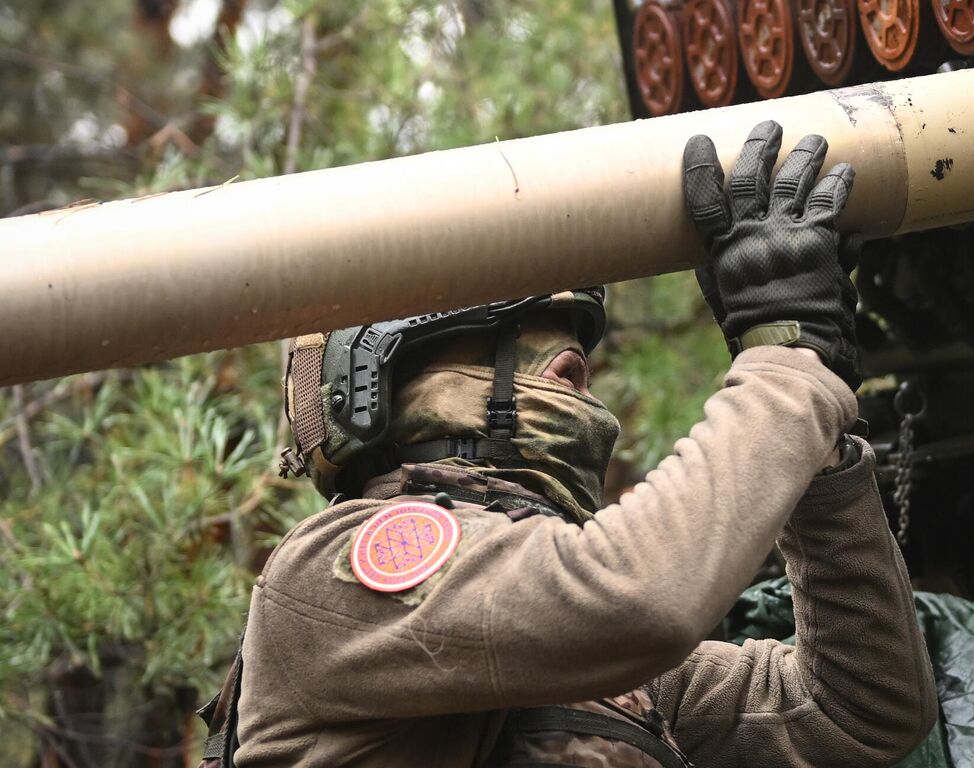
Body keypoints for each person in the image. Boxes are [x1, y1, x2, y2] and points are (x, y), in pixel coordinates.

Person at [199, 121, 937, 767]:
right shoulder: (332, 573)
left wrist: (816, 441)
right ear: (380, 373)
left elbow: (860, 710)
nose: (582, 381)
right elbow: (638, 599)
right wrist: (785, 371)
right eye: (527, 349)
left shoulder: (599, 662)